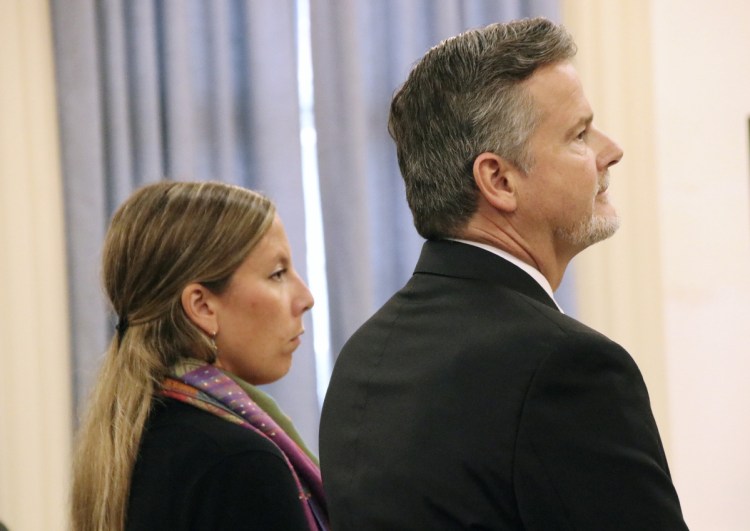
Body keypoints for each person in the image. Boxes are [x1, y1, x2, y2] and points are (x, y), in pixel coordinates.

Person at [319, 17, 688, 530]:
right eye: (580, 134)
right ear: (499, 180)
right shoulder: (567, 367)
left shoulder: (365, 353)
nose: (611, 150)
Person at [71, 181, 328, 531]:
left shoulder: (138, 436)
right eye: (277, 274)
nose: (306, 298)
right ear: (202, 306)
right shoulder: (239, 463)